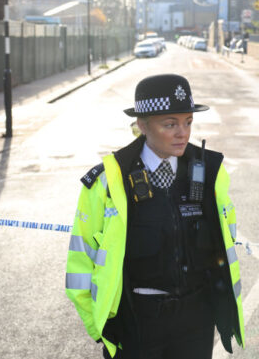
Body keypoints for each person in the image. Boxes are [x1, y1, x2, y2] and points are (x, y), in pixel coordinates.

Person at [66, 74, 244, 359]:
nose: (182, 133)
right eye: (170, 124)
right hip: (137, 322)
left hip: (197, 321)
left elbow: (226, 240)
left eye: (188, 122)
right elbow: (81, 260)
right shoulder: (108, 181)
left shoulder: (210, 172)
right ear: (142, 125)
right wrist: (99, 326)